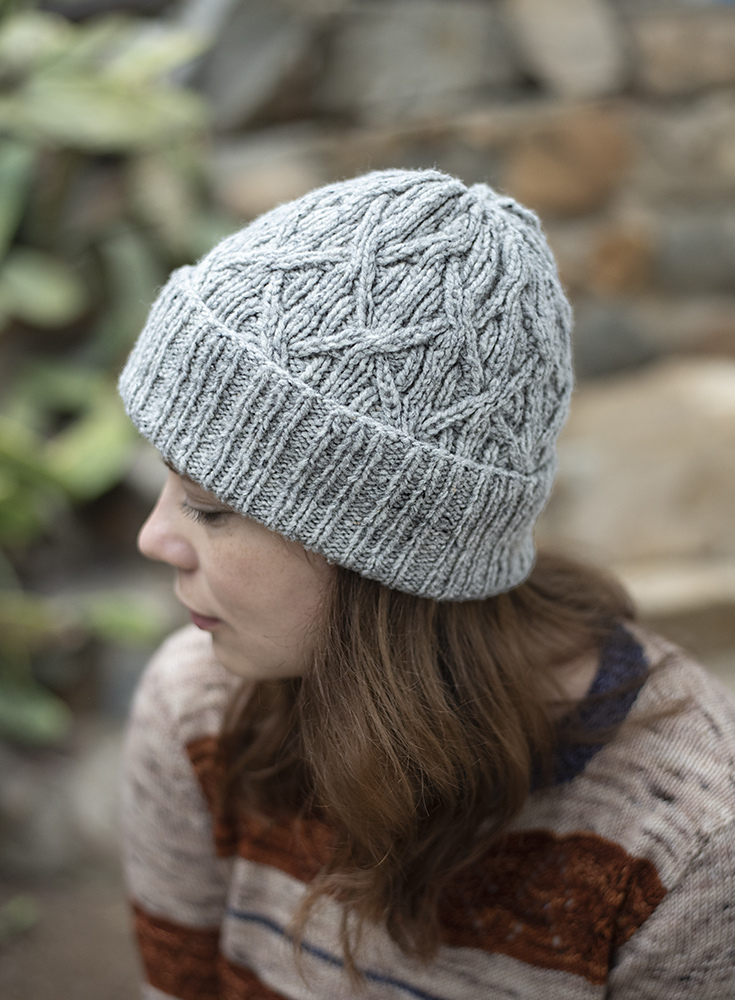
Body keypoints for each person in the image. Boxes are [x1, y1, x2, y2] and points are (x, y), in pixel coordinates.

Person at [118, 169, 735, 1000]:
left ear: (386, 550)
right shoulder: (198, 713)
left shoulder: (687, 833)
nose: (154, 537)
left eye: (209, 507)